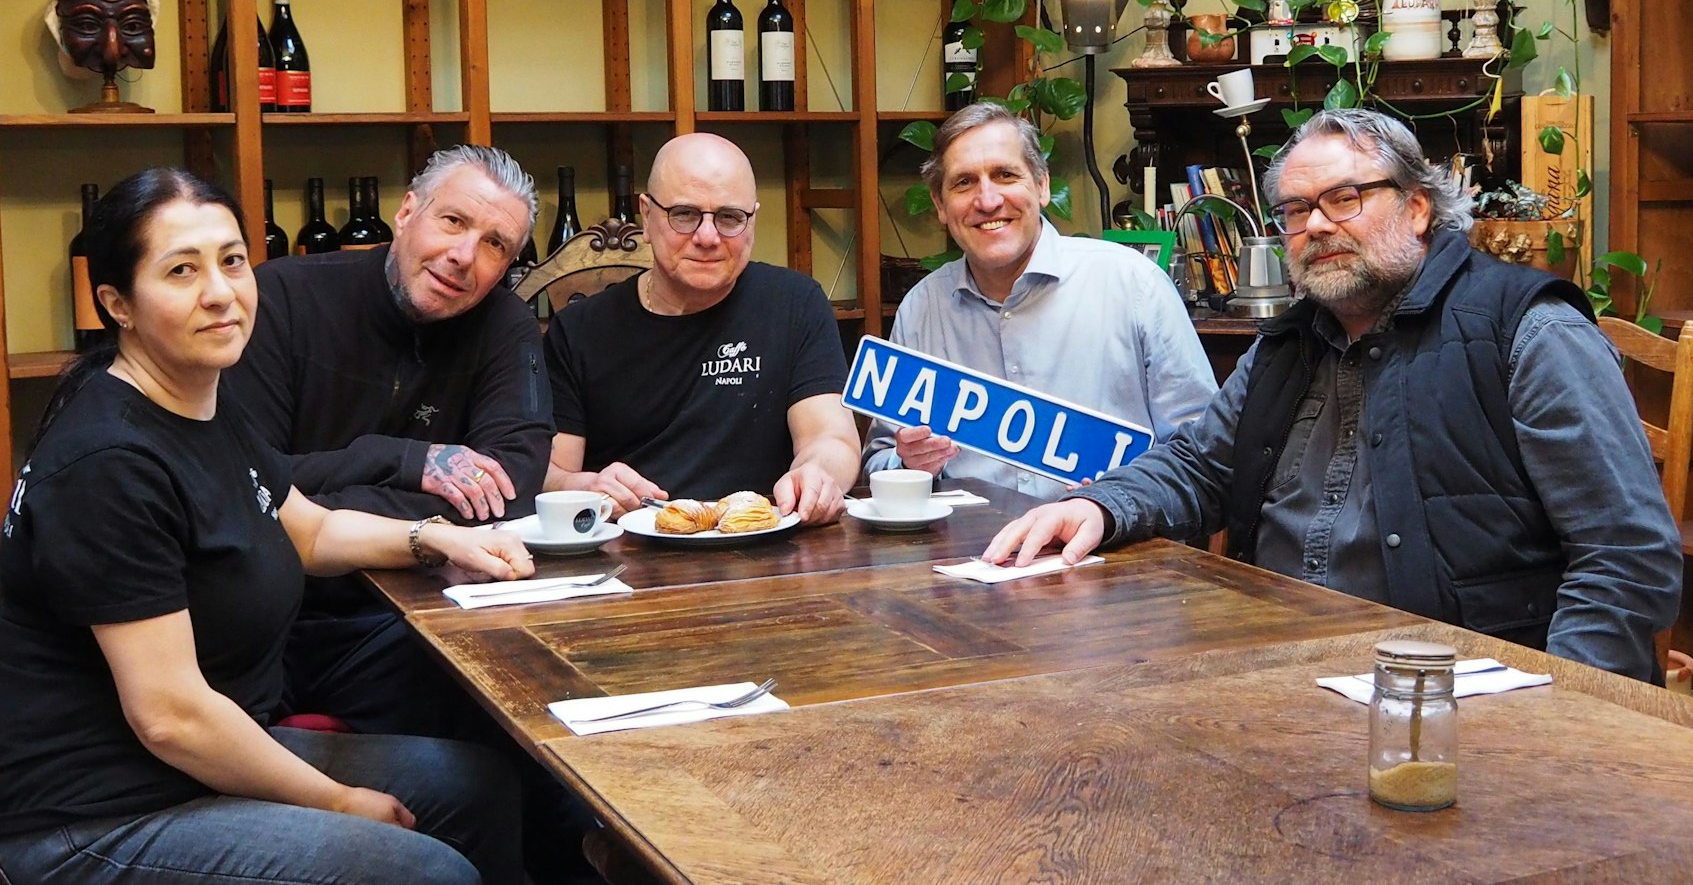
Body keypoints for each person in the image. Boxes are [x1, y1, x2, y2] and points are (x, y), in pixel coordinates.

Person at [984, 109, 1682, 683]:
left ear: (1416, 207)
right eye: (1294, 209)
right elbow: (1199, 466)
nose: (1315, 225)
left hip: (1458, 697)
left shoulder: (1527, 331)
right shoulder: (1290, 343)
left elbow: (1623, 553)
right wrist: (1096, 504)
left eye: (1344, 198)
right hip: (1276, 671)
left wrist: (1567, 711)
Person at [0, 168, 533, 885]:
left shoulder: (201, 404)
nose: (220, 292)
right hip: (97, 812)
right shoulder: (109, 461)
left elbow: (307, 531)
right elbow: (171, 716)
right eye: (182, 271)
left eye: (230, 261)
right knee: (424, 871)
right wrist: (338, 800)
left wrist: (433, 537)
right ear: (116, 302)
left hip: (185, 766)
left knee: (478, 787)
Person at [221, 145, 552, 738]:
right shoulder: (283, 299)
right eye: (452, 221)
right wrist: (400, 461)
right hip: (269, 609)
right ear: (406, 213)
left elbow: (509, 492)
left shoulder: (506, 326)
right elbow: (246, 483)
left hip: (417, 610)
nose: (463, 256)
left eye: (495, 245)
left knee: (528, 708)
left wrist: (324, 496)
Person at [862, 103, 1215, 498]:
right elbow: (880, 457)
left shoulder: (1135, 286)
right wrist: (908, 464)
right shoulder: (921, 309)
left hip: (1115, 546)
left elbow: (1201, 453)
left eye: (1005, 175)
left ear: (1043, 186)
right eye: (964, 183)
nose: (988, 200)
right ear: (941, 206)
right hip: (963, 551)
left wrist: (1113, 505)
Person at [544, 133, 856, 521]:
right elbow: (551, 472)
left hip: (765, 543)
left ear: (753, 219)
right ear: (647, 214)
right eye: (685, 215)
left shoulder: (795, 304)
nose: (707, 237)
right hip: (632, 548)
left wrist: (818, 474)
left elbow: (832, 437)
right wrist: (582, 487)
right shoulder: (580, 330)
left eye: (729, 218)